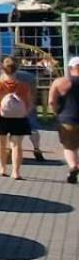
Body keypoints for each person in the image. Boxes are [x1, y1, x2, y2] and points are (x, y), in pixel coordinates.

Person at [0, 56, 33, 180]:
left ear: (2, 69)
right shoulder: (24, 86)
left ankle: (2, 168)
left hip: (2, 117)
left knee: (0, 144)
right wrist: (24, 113)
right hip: (19, 118)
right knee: (17, 145)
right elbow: (29, 103)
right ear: (16, 69)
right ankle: (16, 172)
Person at [49, 56, 79, 184]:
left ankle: (73, 166)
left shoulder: (60, 82)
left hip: (67, 119)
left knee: (69, 147)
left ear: (70, 68)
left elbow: (51, 101)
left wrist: (56, 112)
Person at [16, 63, 46, 161]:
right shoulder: (31, 77)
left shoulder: (7, 76)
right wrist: (32, 104)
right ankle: (36, 148)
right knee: (33, 129)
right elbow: (34, 93)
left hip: (13, 106)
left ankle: (14, 150)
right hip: (28, 105)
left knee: (14, 130)